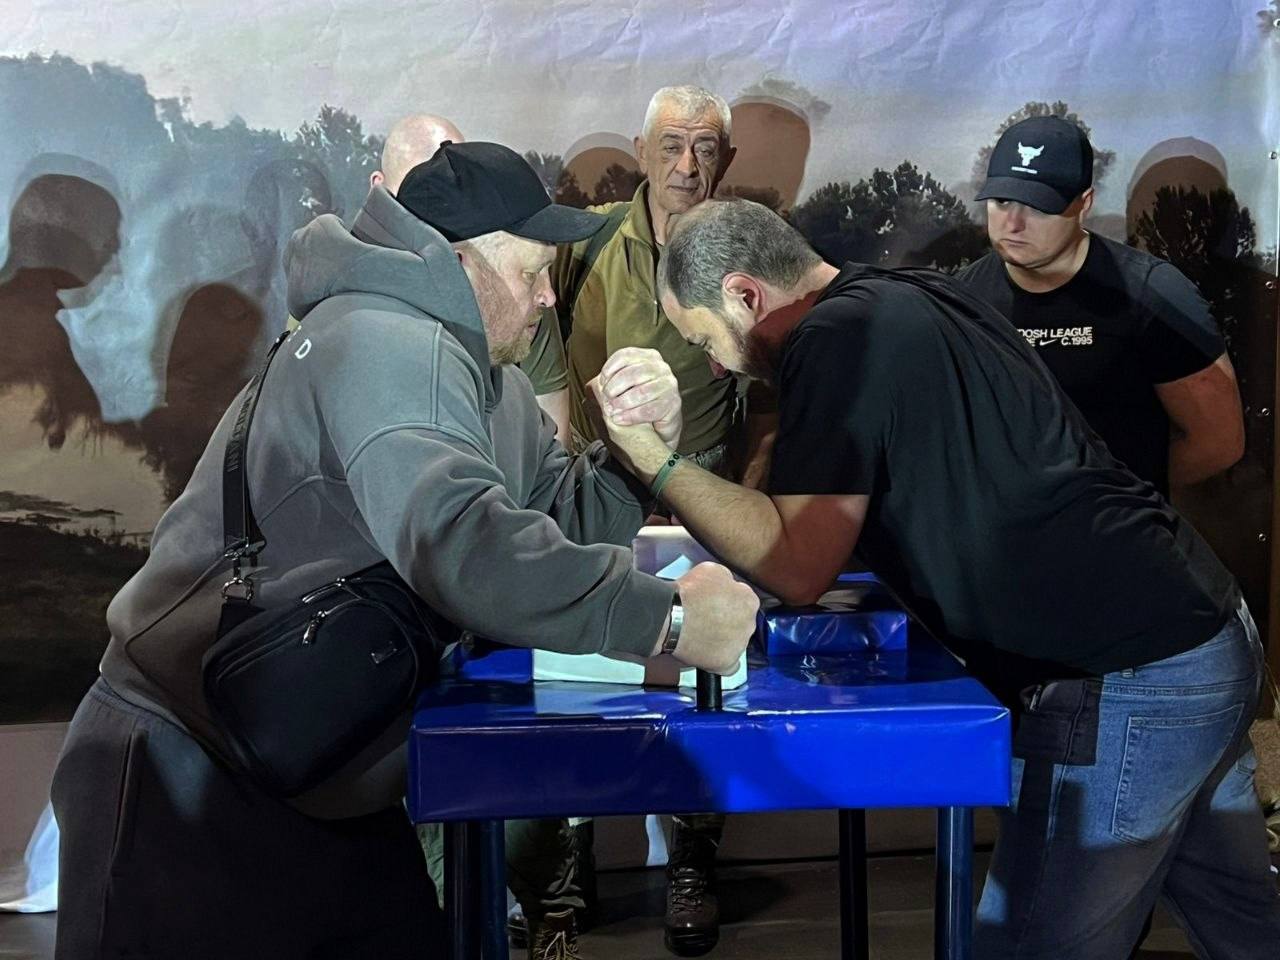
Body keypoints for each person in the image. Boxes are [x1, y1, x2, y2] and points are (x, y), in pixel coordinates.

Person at [50, 142, 758, 960]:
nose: (545, 296)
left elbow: (554, 517)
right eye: (532, 272)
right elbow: (457, 541)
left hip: (321, 767)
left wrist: (638, 457)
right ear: (459, 261)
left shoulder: (485, 378)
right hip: (191, 772)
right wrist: (669, 622)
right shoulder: (387, 341)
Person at [591, 196, 1280, 959]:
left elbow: (799, 564)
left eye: (706, 340)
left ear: (745, 294)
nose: (717, 366)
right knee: (1246, 925)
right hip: (1203, 632)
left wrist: (651, 459)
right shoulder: (914, 294)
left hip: (1129, 670)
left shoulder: (834, 339)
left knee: (1028, 948)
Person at [520, 85, 774, 956]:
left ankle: (693, 865)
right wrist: (559, 480)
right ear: (641, 150)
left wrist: (748, 504)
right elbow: (535, 344)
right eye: (670, 145)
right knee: (579, 693)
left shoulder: (748, 251)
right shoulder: (585, 244)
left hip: (704, 511)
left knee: (702, 692)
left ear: (726, 159)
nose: (686, 165)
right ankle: (563, 878)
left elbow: (768, 394)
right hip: (596, 508)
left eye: (704, 147)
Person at [958, 116, 1244, 497]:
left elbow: (1219, 442)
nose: (1014, 223)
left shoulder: (1154, 295)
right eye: (1002, 201)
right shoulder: (963, 297)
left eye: (1039, 206)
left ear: (1084, 204)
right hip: (1003, 525)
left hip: (1113, 527)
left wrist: (1116, 501)